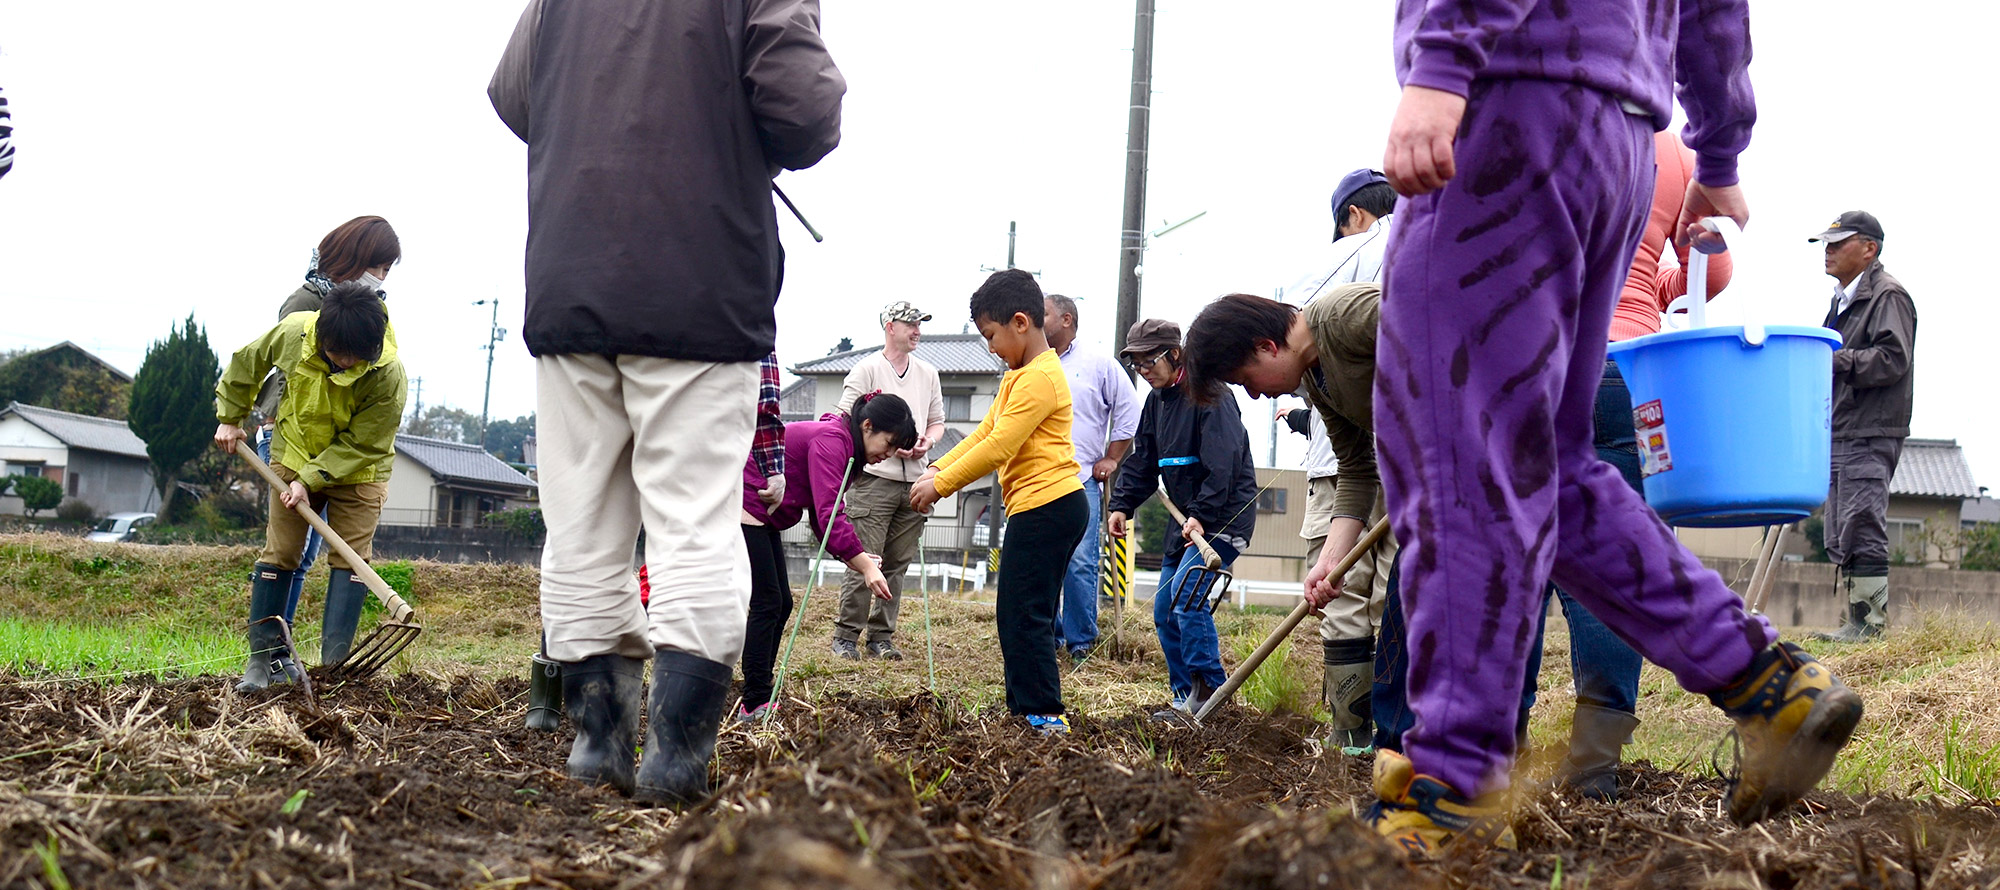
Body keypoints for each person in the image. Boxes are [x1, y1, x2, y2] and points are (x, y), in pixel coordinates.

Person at [1356, 0, 1861, 851]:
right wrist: (1719, 145)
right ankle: (1766, 685)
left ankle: (1454, 785)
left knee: (1460, 456)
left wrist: (1441, 61)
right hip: (1621, 143)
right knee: (1550, 467)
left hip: (1507, 109)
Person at [487, 0, 843, 805]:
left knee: (582, 526)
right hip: (698, 282)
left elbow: (514, 95)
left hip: (571, 275)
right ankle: (675, 759)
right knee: (693, 523)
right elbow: (806, 112)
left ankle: (597, 747)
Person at [910, 269, 1086, 736]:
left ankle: (1044, 715)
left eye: (991, 335)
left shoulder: (1039, 379)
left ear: (1021, 323)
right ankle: (1024, 712)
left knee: (1026, 612)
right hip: (1040, 506)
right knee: (1017, 611)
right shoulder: (1019, 377)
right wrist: (938, 468)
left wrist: (942, 486)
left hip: (1049, 505)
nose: (990, 347)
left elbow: (999, 447)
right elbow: (984, 433)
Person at [212, 281, 406, 693]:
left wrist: (311, 480)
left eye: (355, 356)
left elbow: (366, 442)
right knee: (281, 552)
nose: (345, 362)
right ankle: (262, 661)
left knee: (351, 557)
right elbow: (247, 363)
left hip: (359, 470)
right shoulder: (294, 333)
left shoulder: (388, 374)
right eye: (338, 353)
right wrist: (231, 415)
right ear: (321, 336)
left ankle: (333, 670)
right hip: (293, 452)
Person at [1277, 168, 1400, 752]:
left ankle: (1351, 738)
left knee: (1344, 601)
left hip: (1342, 459)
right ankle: (1396, 737)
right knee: (1398, 594)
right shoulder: (1422, 243)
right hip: (1398, 460)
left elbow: (1286, 343)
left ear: (1352, 214)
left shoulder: (1326, 268)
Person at [252, 217, 402, 649]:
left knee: (308, 555)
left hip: (339, 453)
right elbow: (290, 376)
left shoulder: (368, 312)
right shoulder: (306, 304)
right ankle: (275, 653)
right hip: (295, 442)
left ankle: (312, 660)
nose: (382, 278)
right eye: (379, 267)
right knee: (291, 554)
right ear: (355, 260)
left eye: (387, 270)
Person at [1106, 319, 1256, 719]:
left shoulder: (1212, 395)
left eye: (1149, 361)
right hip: (1187, 520)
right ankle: (1184, 697)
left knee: (1187, 599)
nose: (1143, 371)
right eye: (1136, 364)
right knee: (1164, 610)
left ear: (1174, 354)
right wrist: (1121, 505)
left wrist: (1202, 515)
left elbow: (1223, 466)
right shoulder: (1156, 402)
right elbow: (1143, 461)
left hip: (1223, 517)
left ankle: (1211, 695)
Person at [738, 392, 911, 721]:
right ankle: (754, 700)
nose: (888, 455)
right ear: (868, 426)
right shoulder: (833, 442)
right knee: (768, 602)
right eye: (889, 444)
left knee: (780, 603)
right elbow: (829, 512)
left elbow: (824, 521)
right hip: (748, 502)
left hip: (763, 514)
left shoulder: (847, 448)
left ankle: (760, 690)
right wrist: (864, 566)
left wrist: (856, 558)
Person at [1808, 212, 1915, 643]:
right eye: (1826, 243)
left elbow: (1893, 360)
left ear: (1869, 248)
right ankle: (1857, 620)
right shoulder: (1844, 299)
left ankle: (1869, 626)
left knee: (1862, 521)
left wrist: (1834, 360)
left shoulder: (1888, 295)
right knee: (1842, 527)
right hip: (1844, 428)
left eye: (1839, 242)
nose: (1828, 250)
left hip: (1870, 429)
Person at [832, 301, 946, 661]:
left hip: (915, 481)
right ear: (890, 326)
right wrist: (887, 446)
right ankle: (846, 636)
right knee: (864, 559)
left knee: (897, 563)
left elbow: (937, 422)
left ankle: (881, 637)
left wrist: (927, 442)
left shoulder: (928, 373)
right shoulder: (867, 369)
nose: (917, 331)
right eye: (911, 324)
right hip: (873, 478)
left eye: (920, 325)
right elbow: (845, 417)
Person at [1043, 293, 1140, 662]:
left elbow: (1129, 410)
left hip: (1080, 477)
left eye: (1044, 313)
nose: (1036, 318)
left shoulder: (1099, 364)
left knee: (1080, 560)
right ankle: (1047, 635)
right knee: (1043, 560)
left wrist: (1112, 457)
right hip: (1036, 480)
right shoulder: (1029, 362)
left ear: (1066, 319)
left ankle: (1080, 641)